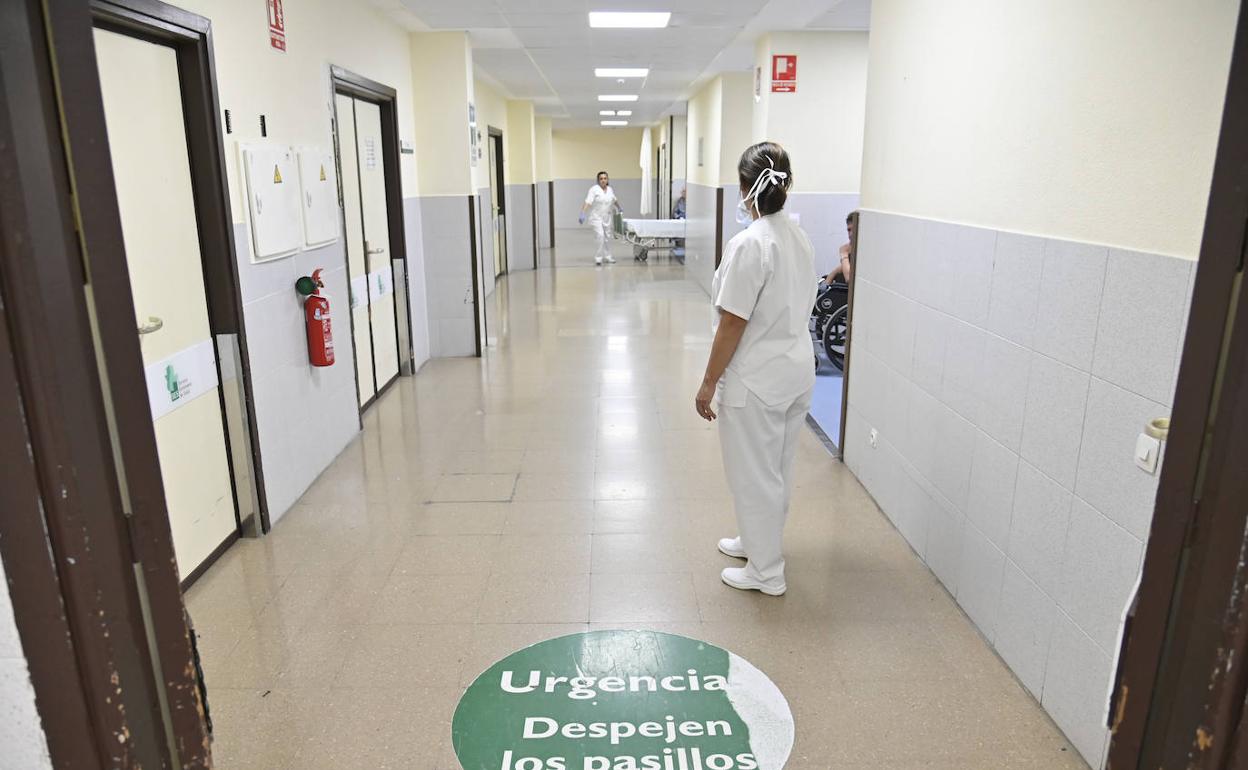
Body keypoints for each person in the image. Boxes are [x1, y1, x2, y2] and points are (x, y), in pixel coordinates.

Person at [694, 142, 816, 596]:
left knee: (753, 473)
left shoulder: (751, 244)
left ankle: (766, 571)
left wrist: (708, 383)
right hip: (794, 371)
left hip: (757, 380)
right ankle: (756, 540)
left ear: (747, 189)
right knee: (775, 469)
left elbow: (732, 322)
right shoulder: (797, 235)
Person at [579, 170, 620, 265]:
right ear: (598, 180)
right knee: (600, 236)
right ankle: (598, 258)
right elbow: (588, 202)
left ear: (607, 180)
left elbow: (614, 199)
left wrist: (619, 208)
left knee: (606, 238)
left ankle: (608, 256)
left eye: (605, 178)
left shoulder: (610, 189)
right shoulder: (594, 189)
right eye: (601, 179)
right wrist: (583, 213)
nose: (603, 180)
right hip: (596, 218)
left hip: (607, 217)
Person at [823, 211, 856, 285]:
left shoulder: (859, 253)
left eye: (853, 230)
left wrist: (843, 253)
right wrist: (834, 273)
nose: (850, 234)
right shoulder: (851, 251)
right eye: (849, 230)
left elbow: (849, 279)